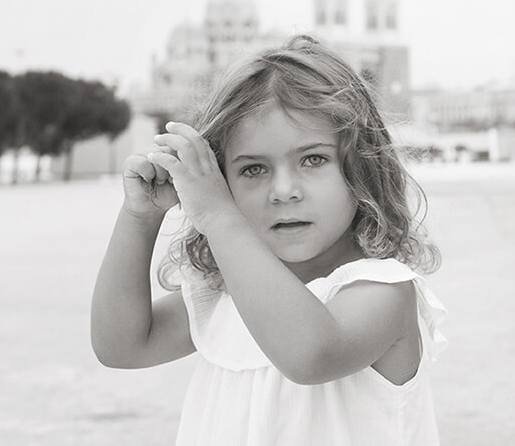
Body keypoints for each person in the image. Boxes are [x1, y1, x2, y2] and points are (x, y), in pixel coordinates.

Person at [91, 35, 446, 445]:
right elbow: (122, 346)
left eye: (313, 159)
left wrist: (220, 217)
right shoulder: (226, 295)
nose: (284, 190)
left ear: (360, 168)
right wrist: (140, 217)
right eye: (254, 170)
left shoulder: (383, 291)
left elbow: (309, 356)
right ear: (222, 180)